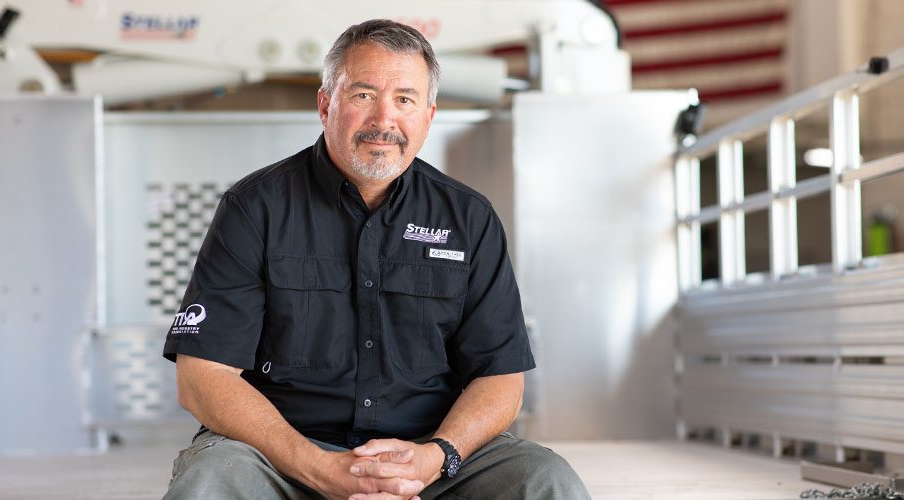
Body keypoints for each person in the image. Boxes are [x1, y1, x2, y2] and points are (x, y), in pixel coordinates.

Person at [161, 19, 590, 500]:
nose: (384, 120)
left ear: (428, 116)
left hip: (431, 460)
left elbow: (500, 377)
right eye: (363, 95)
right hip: (284, 460)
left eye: (405, 99)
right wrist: (320, 468)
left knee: (546, 481)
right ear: (326, 105)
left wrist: (436, 457)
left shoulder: (470, 219)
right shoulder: (254, 208)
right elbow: (202, 376)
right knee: (211, 480)